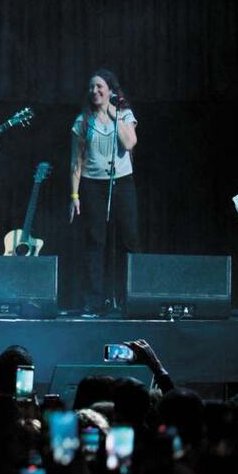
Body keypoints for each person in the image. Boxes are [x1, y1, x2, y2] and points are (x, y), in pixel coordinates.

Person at [68, 69, 139, 316]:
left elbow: (129, 143)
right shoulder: (82, 121)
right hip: (92, 185)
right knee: (95, 243)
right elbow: (76, 161)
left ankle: (131, 298)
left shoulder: (125, 114)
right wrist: (74, 195)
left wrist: (114, 112)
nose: (95, 91)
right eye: (91, 87)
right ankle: (94, 302)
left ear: (110, 90)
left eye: (99, 87)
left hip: (122, 183)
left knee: (129, 240)